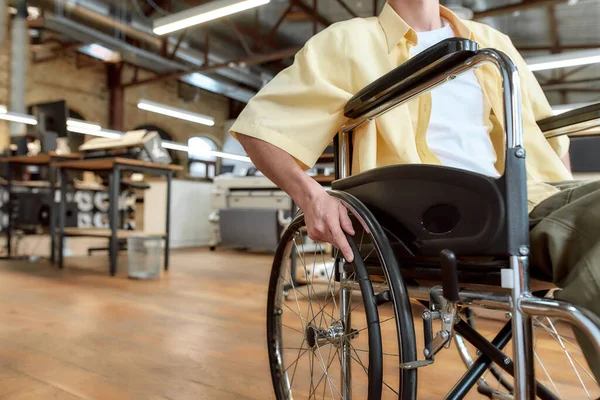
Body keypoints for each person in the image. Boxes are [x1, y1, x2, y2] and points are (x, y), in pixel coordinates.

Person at [230, 0, 600, 379]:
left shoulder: (492, 40)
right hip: (431, 214)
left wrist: (562, 190)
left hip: (525, 195)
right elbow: (259, 128)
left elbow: (549, 135)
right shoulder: (348, 41)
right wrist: (311, 196)